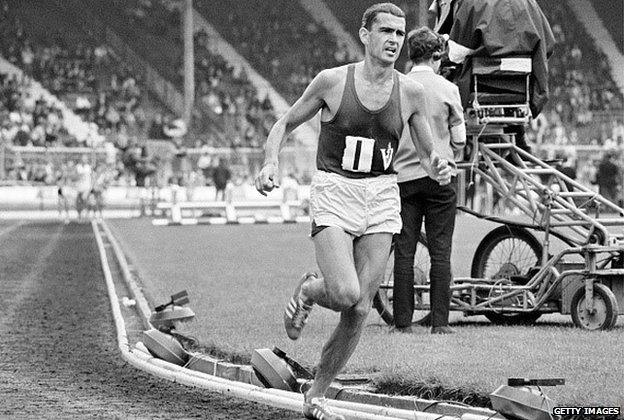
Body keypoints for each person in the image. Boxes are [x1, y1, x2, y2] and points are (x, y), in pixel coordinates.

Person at [254, 4, 451, 419]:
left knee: (361, 307)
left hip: (381, 194)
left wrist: (439, 165)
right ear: (364, 35)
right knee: (344, 294)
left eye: (400, 33)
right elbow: (283, 124)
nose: (394, 40)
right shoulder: (332, 82)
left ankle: (317, 395)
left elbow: (430, 150)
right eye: (385, 31)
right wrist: (270, 162)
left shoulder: (412, 93)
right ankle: (311, 289)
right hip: (335, 189)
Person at [392, 27, 466, 335]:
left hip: (403, 178)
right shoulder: (448, 89)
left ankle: (403, 323)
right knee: (440, 251)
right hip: (440, 176)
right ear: (437, 57)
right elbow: (459, 140)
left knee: (404, 252)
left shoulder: (396, 86)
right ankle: (440, 323)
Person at [429, 0, 555, 154]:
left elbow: (456, 53)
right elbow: (548, 45)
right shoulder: (530, 3)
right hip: (522, 86)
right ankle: (519, 137)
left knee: (441, 72)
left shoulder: (471, 3)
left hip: (481, 84)